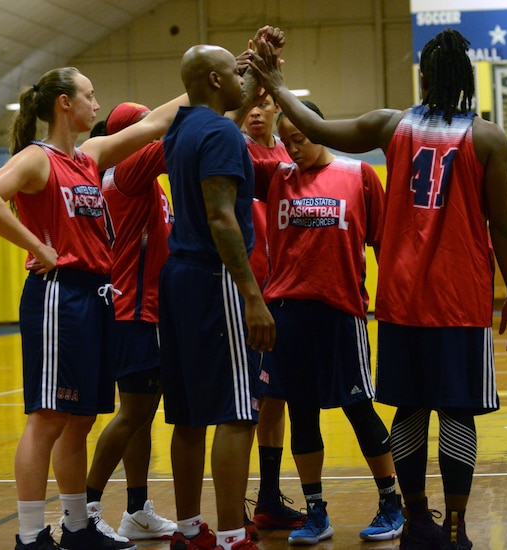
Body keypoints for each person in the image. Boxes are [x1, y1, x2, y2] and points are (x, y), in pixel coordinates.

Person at [248, 27, 507, 550]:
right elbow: (503, 225)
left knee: (409, 409)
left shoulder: (391, 125)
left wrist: (278, 84)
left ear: (423, 77)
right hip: (459, 297)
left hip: (402, 297)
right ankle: (457, 528)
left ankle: (417, 522)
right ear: (467, 79)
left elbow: (313, 125)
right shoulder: (488, 138)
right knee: (457, 410)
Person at [0, 67, 186, 550]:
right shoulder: (37, 158)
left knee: (82, 417)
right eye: (90, 96)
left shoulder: (87, 158)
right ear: (64, 103)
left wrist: (216, 78)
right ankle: (30, 535)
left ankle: (77, 527)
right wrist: (38, 247)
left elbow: (154, 126)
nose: (97, 104)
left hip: (97, 295)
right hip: (58, 295)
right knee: (48, 417)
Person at [253, 100, 404, 545]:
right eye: (287, 141)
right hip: (287, 315)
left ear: (321, 131)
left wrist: (392, 301)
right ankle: (316, 511)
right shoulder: (277, 177)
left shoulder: (359, 176)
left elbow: (383, 243)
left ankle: (391, 502)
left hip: (340, 313)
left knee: (359, 408)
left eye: (300, 138)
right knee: (301, 413)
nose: (293, 148)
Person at [158, 32, 282, 550]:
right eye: (233, 72)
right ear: (214, 80)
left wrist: (258, 70)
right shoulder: (224, 137)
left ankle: (190, 529)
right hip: (216, 280)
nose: (241, 81)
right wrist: (252, 295)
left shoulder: (183, 129)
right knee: (237, 411)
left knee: (187, 415)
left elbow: (229, 101)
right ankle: (233, 536)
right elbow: (222, 219)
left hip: (178, 278)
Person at [77, 103, 177, 543]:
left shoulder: (150, 186)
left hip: (145, 311)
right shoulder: (128, 174)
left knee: (140, 414)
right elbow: (172, 135)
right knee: (135, 411)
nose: (153, 134)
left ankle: (137, 509)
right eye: (144, 128)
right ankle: (84, 509)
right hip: (131, 310)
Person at [237, 94, 306, 533]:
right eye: (251, 103)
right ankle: (232, 507)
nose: (258, 110)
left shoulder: (288, 151)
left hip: (284, 291)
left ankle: (267, 496)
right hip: (246, 291)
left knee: (275, 395)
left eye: (266, 102)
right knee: (241, 401)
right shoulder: (233, 147)